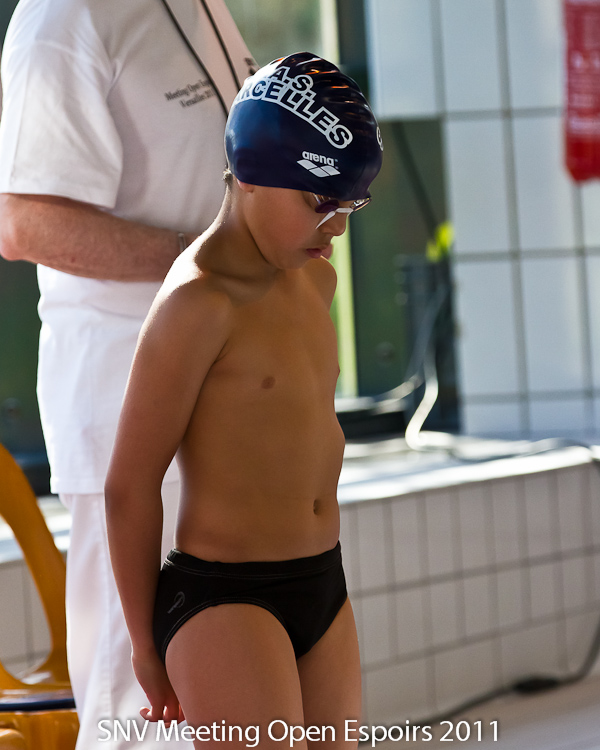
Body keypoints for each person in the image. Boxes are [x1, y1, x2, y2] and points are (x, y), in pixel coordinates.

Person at [105, 52, 383, 748]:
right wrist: (144, 645)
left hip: (322, 580)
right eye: (320, 203)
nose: (337, 228)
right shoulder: (197, 303)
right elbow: (129, 485)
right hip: (224, 596)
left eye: (350, 205)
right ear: (254, 175)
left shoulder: (316, 284)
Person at [0, 0, 255, 747]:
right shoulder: (65, 20)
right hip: (129, 398)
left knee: (223, 696)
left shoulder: (203, 7)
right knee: (139, 709)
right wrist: (213, 261)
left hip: (230, 384)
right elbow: (26, 223)